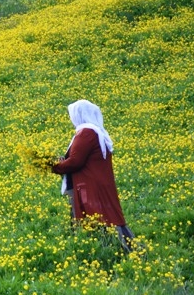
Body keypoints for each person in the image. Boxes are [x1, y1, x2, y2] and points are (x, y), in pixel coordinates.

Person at [52, 99, 135, 251]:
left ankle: (120, 250)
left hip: (90, 184)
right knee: (108, 215)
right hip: (97, 182)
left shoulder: (86, 133)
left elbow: (75, 161)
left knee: (102, 216)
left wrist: (54, 166)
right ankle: (122, 249)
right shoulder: (94, 131)